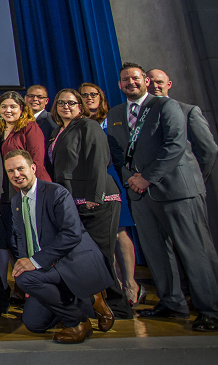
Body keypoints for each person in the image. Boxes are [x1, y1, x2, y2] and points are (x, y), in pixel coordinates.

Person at [108, 62, 218, 331]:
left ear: (145, 81)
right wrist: (131, 180)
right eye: (125, 80)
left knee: (193, 252)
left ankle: (209, 309)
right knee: (157, 253)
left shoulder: (166, 107)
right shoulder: (115, 113)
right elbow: (117, 153)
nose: (130, 83)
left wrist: (148, 177)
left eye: (135, 78)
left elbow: (175, 145)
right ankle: (172, 302)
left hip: (174, 192)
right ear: (119, 85)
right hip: (140, 195)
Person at [3, 150, 113, 344]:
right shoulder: (15, 201)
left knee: (25, 279)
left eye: (20, 168)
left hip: (69, 262)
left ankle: (78, 320)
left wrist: (35, 262)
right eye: (11, 171)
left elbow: (72, 234)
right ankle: (83, 301)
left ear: (33, 168)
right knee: (34, 324)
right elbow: (20, 236)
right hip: (45, 267)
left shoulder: (56, 192)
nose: (16, 175)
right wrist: (23, 260)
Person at [144, 69, 218, 302]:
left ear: (169, 84)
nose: (155, 87)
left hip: (184, 190)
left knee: (198, 246)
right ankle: (179, 298)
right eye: (151, 83)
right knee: (166, 251)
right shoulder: (140, 115)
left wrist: (195, 178)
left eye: (160, 82)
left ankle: (214, 296)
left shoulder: (188, 110)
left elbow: (208, 150)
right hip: (154, 192)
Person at [48, 88, 124, 324]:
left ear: (80, 106)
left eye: (71, 103)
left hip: (97, 201)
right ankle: (94, 305)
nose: (66, 106)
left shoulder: (88, 126)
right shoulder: (57, 131)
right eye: (61, 103)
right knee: (84, 257)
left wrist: (95, 195)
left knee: (101, 254)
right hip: (73, 200)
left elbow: (99, 160)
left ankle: (116, 306)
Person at [80, 82, 143, 307]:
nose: (89, 98)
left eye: (93, 94)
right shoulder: (79, 124)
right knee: (103, 236)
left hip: (113, 179)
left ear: (101, 97)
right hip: (88, 183)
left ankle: (130, 283)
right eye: (84, 95)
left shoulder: (114, 119)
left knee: (120, 232)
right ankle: (113, 282)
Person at [0, 91, 50, 315]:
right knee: (11, 242)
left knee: (30, 244)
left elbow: (35, 161)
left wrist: (28, 191)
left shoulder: (29, 128)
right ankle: (18, 289)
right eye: (4, 107)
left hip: (31, 192)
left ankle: (40, 293)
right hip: (7, 195)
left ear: (21, 109)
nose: (8, 110)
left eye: (12, 107)